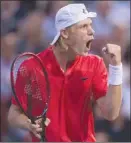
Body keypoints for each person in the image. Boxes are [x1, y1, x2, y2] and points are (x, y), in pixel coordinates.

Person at [8, 3, 123, 142]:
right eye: (83, 26)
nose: (92, 31)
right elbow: (14, 114)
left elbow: (111, 113)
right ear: (64, 33)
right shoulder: (32, 66)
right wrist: (29, 124)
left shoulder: (95, 64)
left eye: (91, 25)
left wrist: (116, 67)